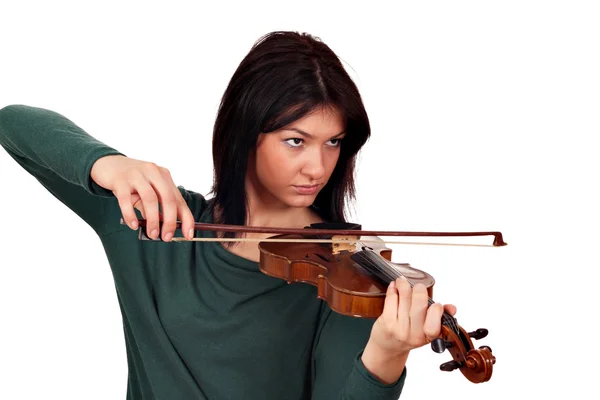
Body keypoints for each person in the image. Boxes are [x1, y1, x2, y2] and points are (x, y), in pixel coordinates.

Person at [0, 31, 456, 399]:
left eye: (333, 142)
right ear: (244, 133)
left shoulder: (343, 275)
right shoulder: (160, 222)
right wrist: (109, 165)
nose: (318, 167)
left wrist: (385, 353)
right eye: (295, 141)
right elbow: (13, 122)